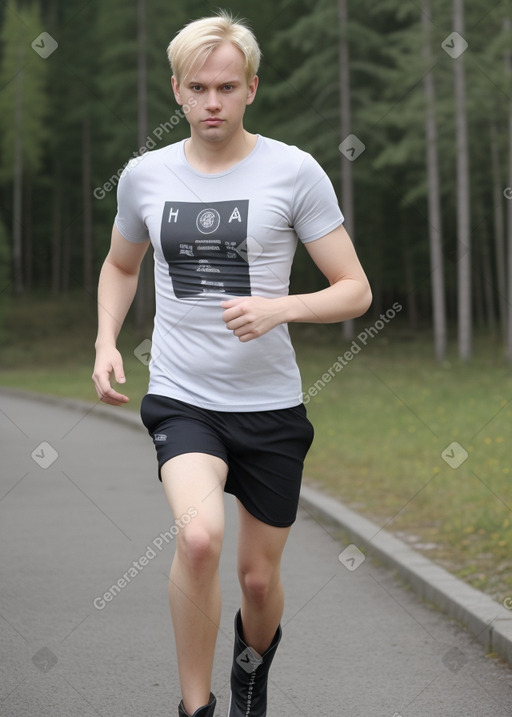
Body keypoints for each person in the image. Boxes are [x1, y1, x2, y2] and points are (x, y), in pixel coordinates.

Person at [92, 10, 371, 717]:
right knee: (199, 537)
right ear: (177, 92)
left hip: (271, 407)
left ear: (251, 87)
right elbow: (121, 266)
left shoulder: (294, 171)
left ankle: (251, 673)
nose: (212, 102)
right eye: (197, 88)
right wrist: (104, 341)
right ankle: (195, 706)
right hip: (184, 399)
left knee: (255, 580)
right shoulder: (145, 176)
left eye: (226, 86)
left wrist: (281, 308)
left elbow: (355, 290)